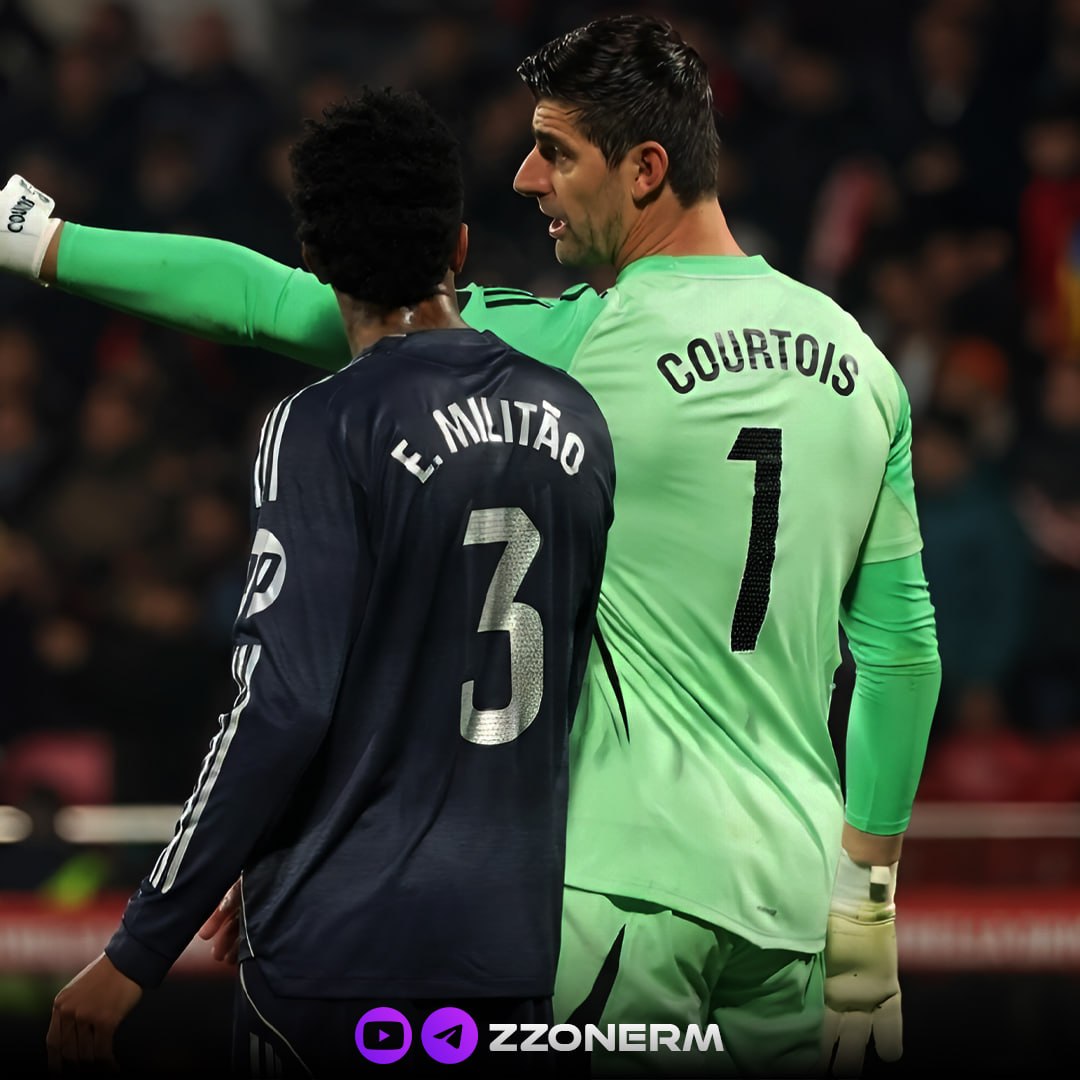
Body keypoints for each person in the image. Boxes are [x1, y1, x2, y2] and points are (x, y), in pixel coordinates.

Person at [4, 14, 940, 1078]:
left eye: (557, 153)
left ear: (646, 169)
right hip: (796, 905)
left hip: (616, 895)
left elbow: (276, 304)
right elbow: (902, 656)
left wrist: (40, 242)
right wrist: (866, 906)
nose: (528, 179)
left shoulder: (578, 346)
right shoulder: (864, 369)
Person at [39, 89, 614, 1077]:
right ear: (461, 249)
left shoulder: (322, 425)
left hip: (343, 951)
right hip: (514, 949)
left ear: (318, 264)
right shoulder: (577, 420)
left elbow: (281, 705)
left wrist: (138, 949)